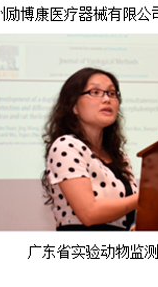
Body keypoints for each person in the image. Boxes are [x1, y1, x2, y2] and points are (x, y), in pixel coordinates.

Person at [42, 68, 138, 230]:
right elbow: (89, 214)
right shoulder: (66, 146)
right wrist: (146, 198)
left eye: (111, 93)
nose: (106, 99)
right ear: (74, 106)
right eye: (95, 92)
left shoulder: (120, 156)